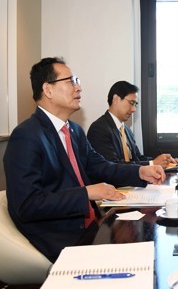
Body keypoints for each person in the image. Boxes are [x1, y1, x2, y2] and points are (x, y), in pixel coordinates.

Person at [3, 57, 166, 262]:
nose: (78, 87)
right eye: (71, 81)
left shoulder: (75, 131)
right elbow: (28, 205)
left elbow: (99, 166)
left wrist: (139, 171)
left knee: (148, 242)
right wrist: (87, 192)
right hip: (60, 238)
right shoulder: (27, 136)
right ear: (48, 89)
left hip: (91, 225)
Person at [87, 81, 178, 169]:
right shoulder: (98, 129)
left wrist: (164, 162)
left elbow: (138, 158)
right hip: (113, 184)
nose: (134, 109)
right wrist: (152, 163)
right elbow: (112, 166)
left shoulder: (126, 129)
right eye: (131, 103)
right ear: (116, 100)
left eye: (135, 104)